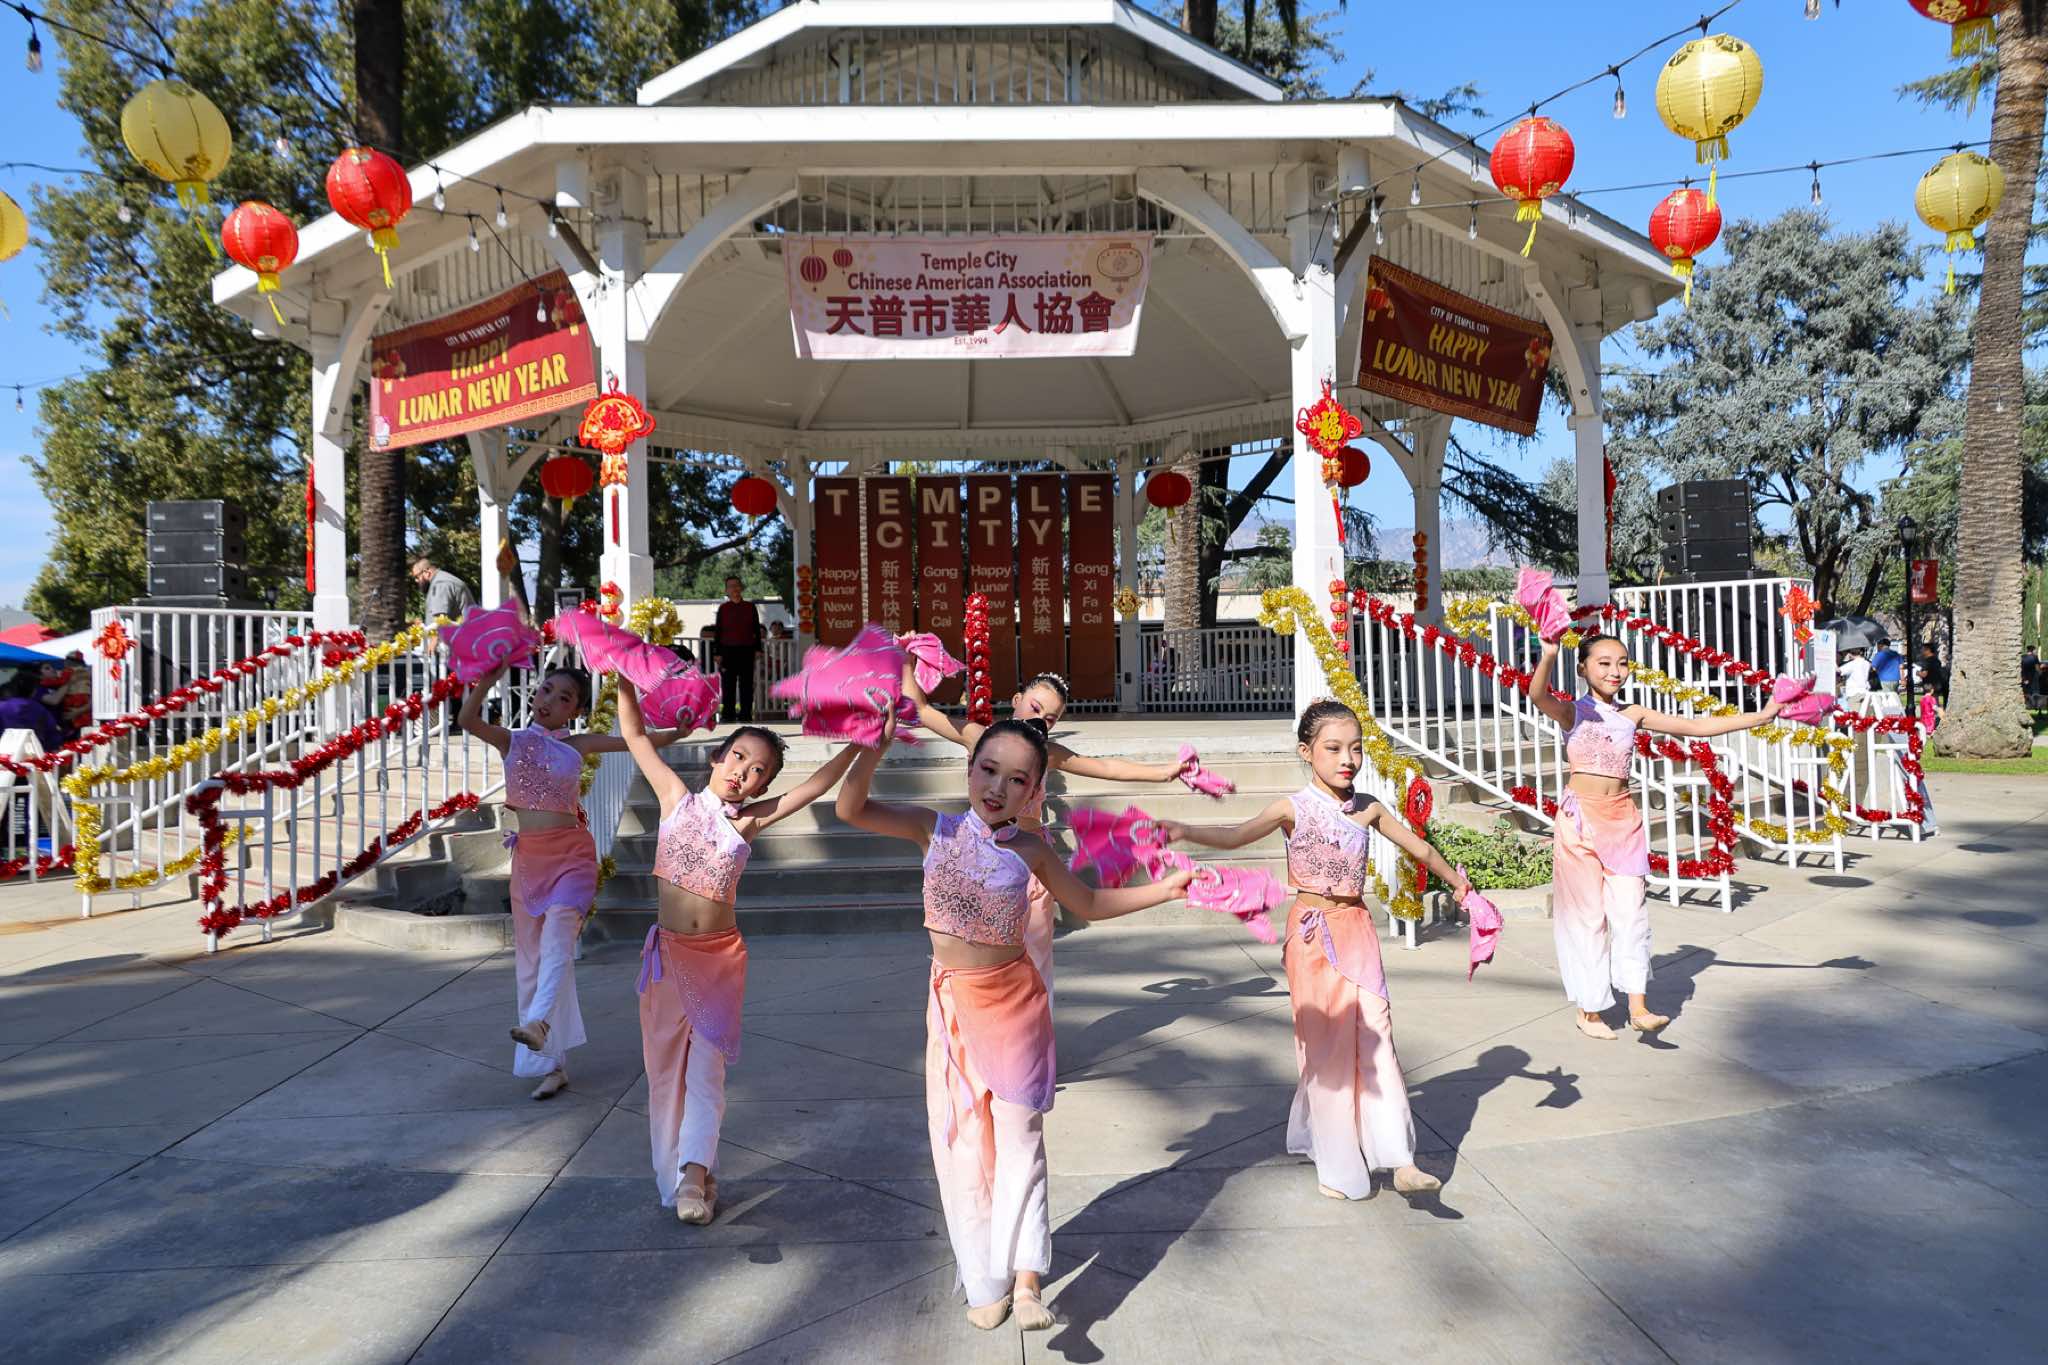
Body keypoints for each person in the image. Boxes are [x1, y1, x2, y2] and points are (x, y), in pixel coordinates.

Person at [835, 713, 1193, 1333]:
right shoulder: (933, 829)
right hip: (953, 1007)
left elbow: (1088, 903)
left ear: (1035, 791)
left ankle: (1027, 1280)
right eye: (988, 769)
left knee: (1021, 1137)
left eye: (1018, 779)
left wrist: (1164, 891)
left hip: (1016, 1006)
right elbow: (850, 809)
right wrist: (874, 746)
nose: (998, 787)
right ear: (969, 769)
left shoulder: (1031, 849)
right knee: (963, 1141)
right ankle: (984, 1280)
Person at [1154, 699, 1464, 1203]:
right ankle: (1339, 1165)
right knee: (1327, 1051)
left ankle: (1401, 1160)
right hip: (1311, 935)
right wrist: (1186, 831)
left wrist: (1461, 885)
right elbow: (1235, 836)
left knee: (1378, 1037)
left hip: (1357, 930)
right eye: (1334, 748)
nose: (1348, 760)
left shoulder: (1369, 807)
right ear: (1307, 752)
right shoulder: (1292, 808)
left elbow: (1420, 848)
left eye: (1356, 749)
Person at [616, 678, 858, 1223]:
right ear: (716, 757)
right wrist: (623, 676)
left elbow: (815, 786)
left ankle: (693, 1175)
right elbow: (634, 735)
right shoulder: (675, 800)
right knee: (664, 1077)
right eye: (738, 757)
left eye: (758, 772)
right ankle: (687, 1175)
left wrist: (860, 745)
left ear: (761, 786)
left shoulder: (748, 821)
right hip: (667, 960)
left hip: (718, 961)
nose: (743, 773)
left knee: (706, 1073)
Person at [1528, 635, 1783, 1039]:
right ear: (1583, 669)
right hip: (1579, 822)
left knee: (1631, 914)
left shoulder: (1633, 714)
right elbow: (1537, 696)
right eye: (1604, 663)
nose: (1615, 671)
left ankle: (1638, 1007)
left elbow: (1696, 727)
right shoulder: (1573, 712)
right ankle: (1589, 1011)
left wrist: (1762, 716)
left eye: (1622, 663)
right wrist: (1548, 656)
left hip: (1622, 821)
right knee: (1587, 918)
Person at [458, 658, 684, 1099]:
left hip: (573, 856)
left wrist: (681, 729)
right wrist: (487, 680)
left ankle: (539, 1023)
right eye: (547, 690)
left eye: (564, 699)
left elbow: (641, 740)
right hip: (530, 862)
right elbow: (467, 720)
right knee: (532, 962)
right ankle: (552, 1065)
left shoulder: (577, 744)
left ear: (575, 711)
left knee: (559, 941)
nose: (550, 701)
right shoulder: (511, 740)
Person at [902, 668, 1197, 1002]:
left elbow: (1106, 767)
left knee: (1036, 955)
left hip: (1032, 867)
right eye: (1035, 707)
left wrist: (1164, 773)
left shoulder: (1047, 754)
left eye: (1050, 718)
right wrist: (904, 658)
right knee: (980, 957)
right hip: (980, 863)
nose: (1039, 719)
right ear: (1017, 700)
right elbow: (922, 710)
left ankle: (1034, 1023)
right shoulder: (979, 736)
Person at [714, 576, 763, 723]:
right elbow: (718, 631)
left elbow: (756, 629)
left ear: (741, 588)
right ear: (726, 590)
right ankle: (728, 714)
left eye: (736, 585)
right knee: (728, 684)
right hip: (727, 651)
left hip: (747, 649)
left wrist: (758, 649)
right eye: (730, 586)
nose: (734, 588)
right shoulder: (723, 608)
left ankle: (746, 715)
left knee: (746, 684)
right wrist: (717, 652)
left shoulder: (750, 607)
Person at [0, 671, 63, 754]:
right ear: (34, 690)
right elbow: (52, 735)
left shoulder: (2, 707)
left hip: (4, 755)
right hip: (35, 754)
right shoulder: (40, 709)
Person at [39, 653, 92, 740]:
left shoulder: (66, 676)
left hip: (70, 723)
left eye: (52, 667)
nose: (53, 669)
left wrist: (78, 711)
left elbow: (91, 702)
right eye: (47, 668)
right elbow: (54, 700)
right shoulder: (40, 689)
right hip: (54, 730)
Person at [413, 556, 476, 625]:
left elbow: (439, 622)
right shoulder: (443, 580)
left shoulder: (440, 584)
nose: (416, 580)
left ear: (426, 572)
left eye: (417, 576)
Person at [1917, 641, 1949, 707]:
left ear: (1928, 650)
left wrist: (1917, 673)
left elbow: (1924, 674)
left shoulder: (1927, 661)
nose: (1921, 651)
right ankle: (1938, 712)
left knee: (1930, 704)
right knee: (1935, 702)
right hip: (1937, 684)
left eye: (1923, 649)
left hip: (1929, 685)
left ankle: (1936, 713)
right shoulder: (1937, 660)